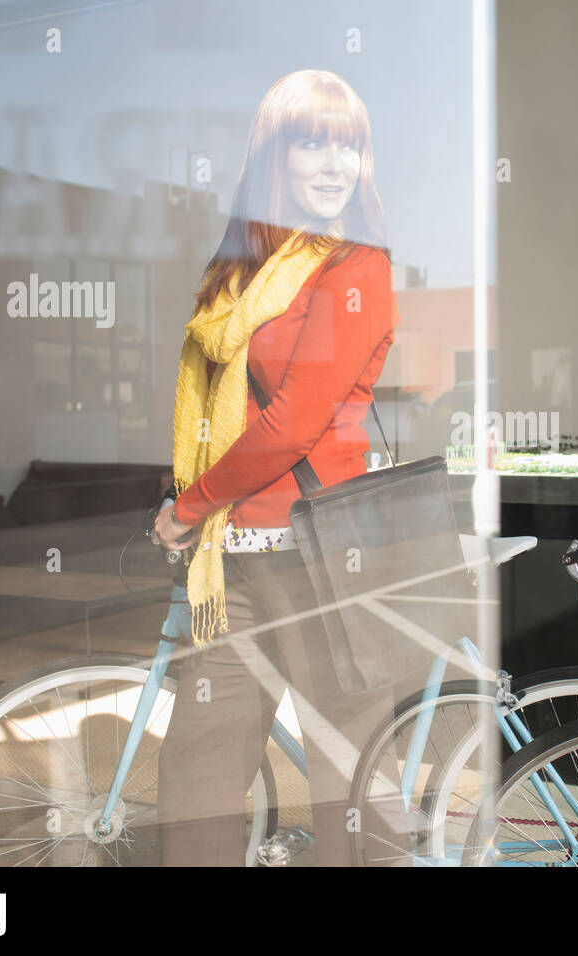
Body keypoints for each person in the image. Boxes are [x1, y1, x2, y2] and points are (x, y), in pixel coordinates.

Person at [151, 69, 406, 866]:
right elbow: (214, 407)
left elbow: (293, 420)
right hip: (236, 568)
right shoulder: (241, 274)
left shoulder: (357, 266)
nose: (335, 164)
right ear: (274, 156)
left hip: (326, 565)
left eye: (349, 147)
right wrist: (195, 509)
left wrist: (189, 505)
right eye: (312, 143)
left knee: (355, 788)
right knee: (195, 772)